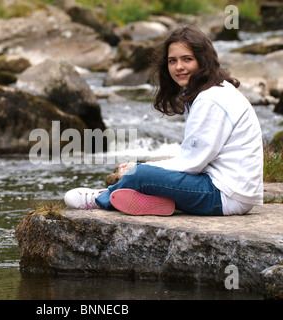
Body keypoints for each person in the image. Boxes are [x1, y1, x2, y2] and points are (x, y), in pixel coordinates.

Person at [64, 25, 263, 216]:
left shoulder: (210, 99)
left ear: (203, 61)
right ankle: (142, 199)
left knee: (141, 175)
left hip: (224, 196)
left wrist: (141, 169)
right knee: (143, 171)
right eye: (172, 61)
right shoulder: (206, 92)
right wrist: (146, 166)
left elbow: (192, 163)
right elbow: (193, 159)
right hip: (228, 191)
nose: (179, 67)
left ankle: (102, 199)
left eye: (187, 59)